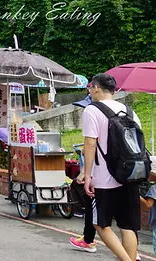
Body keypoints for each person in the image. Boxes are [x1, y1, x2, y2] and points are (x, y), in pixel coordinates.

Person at [83, 73, 143, 261]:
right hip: (131, 174)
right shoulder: (130, 111)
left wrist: (87, 176)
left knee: (100, 224)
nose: (90, 91)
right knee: (127, 226)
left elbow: (90, 144)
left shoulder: (92, 110)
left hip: (105, 178)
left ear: (97, 88)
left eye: (91, 87)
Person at [68, 89, 98, 253]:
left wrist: (84, 174)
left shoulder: (95, 121)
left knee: (94, 210)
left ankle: (88, 240)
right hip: (115, 175)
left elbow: (90, 148)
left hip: (98, 177)